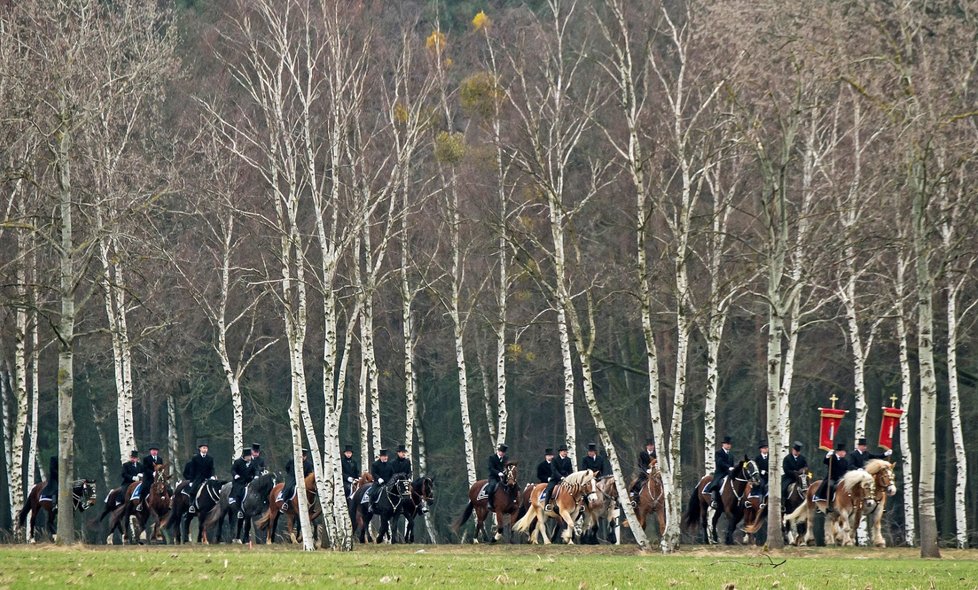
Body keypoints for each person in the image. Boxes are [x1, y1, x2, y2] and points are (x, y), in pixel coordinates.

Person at [814, 442, 849, 511]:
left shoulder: (845, 461)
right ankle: (828, 504)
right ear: (839, 452)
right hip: (832, 478)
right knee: (830, 485)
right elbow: (825, 461)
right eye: (844, 452)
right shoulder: (832, 458)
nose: (845, 453)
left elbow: (846, 470)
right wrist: (827, 456)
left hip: (841, 479)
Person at [185, 440, 215, 514]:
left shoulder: (210, 458)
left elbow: (212, 468)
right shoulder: (195, 458)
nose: (205, 449)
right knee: (193, 491)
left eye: (206, 448)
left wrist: (212, 476)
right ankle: (192, 505)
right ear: (200, 449)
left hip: (207, 478)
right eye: (203, 448)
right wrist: (192, 481)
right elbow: (192, 469)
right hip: (198, 478)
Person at [282, 448, 314, 512]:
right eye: (301, 456)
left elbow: (309, 473)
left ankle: (311, 505)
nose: (302, 458)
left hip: (304, 479)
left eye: (304, 456)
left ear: (305, 456)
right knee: (289, 487)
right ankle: (285, 502)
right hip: (292, 477)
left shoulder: (309, 464)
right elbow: (287, 468)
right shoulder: (292, 461)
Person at [707, 436, 734, 509]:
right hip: (720, 473)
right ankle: (714, 499)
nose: (728, 445)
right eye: (727, 444)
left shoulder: (731, 455)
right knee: (716, 483)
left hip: (729, 473)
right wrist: (728, 467)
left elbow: (732, 465)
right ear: (723, 444)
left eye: (729, 444)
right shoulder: (718, 453)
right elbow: (720, 462)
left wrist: (732, 469)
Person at [134, 444, 164, 511]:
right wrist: (152, 473)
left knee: (166, 487)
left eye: (156, 450)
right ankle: (140, 503)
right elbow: (145, 468)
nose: (154, 452)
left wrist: (160, 474)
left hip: (158, 478)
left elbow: (161, 468)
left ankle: (168, 502)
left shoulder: (160, 459)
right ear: (150, 451)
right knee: (144, 488)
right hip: (148, 478)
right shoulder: (146, 459)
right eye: (153, 450)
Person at [544, 444, 574, 512]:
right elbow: (554, 470)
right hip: (556, 478)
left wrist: (569, 477)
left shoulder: (568, 460)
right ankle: (547, 505)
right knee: (549, 489)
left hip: (566, 479)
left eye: (566, 451)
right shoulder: (554, 459)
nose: (565, 453)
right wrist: (561, 477)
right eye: (564, 451)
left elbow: (570, 471)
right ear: (560, 452)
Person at [629, 438, 658, 505]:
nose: (651, 447)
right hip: (645, 472)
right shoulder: (642, 454)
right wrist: (646, 470)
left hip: (655, 472)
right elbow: (640, 464)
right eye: (649, 445)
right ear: (647, 446)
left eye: (652, 445)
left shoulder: (656, 453)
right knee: (639, 481)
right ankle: (635, 497)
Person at [229, 447, 255, 519]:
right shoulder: (238, 462)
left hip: (249, 481)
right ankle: (239, 510)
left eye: (250, 456)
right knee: (239, 493)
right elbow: (233, 470)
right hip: (239, 482)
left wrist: (255, 476)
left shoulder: (252, 463)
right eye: (248, 456)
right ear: (244, 456)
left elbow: (255, 471)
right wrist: (235, 475)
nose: (250, 458)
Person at [486, 444, 508, 511]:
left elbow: (506, 466)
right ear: (498, 451)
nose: (502, 454)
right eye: (501, 452)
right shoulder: (492, 458)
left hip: (503, 477)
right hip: (494, 477)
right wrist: (498, 473)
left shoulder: (506, 458)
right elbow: (491, 468)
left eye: (503, 453)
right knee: (492, 487)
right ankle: (489, 503)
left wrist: (505, 471)